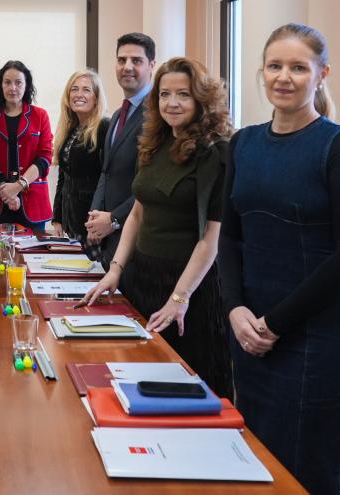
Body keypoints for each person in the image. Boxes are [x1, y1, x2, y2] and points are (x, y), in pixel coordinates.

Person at [217, 23, 340, 494]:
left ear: (321, 74)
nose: (284, 77)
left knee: (305, 473)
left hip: (318, 336)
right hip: (250, 334)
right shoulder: (242, 144)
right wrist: (235, 309)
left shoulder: (339, 145)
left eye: (298, 67)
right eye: (275, 66)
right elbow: (230, 238)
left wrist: (274, 324)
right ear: (262, 72)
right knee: (259, 464)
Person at [83, 57, 234, 399]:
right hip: (143, 277)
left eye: (183, 94)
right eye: (165, 94)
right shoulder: (154, 144)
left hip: (189, 287)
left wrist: (180, 299)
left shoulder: (216, 153)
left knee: (189, 388)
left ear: (202, 99)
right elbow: (137, 213)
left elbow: (212, 237)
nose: (172, 103)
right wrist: (115, 270)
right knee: (140, 379)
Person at [86, 33, 156, 267]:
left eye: (136, 61)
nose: (127, 67)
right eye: (121, 60)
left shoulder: (159, 115)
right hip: (110, 240)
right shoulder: (117, 116)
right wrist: (96, 215)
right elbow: (106, 172)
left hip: (140, 241)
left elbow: (152, 184)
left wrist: (115, 219)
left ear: (151, 65)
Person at [0, 60, 53, 229]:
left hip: (32, 202)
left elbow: (45, 157)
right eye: (7, 82)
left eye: (18, 82)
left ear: (26, 85)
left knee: (32, 254)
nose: (13, 88)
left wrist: (18, 186)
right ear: (0, 85)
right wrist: (5, 189)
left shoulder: (40, 116)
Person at [51, 69, 109, 240]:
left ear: (96, 98)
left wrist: (98, 219)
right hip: (71, 223)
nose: (79, 94)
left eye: (86, 89)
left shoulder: (104, 127)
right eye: (74, 89)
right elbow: (64, 178)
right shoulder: (69, 130)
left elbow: (108, 179)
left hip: (93, 223)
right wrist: (57, 218)